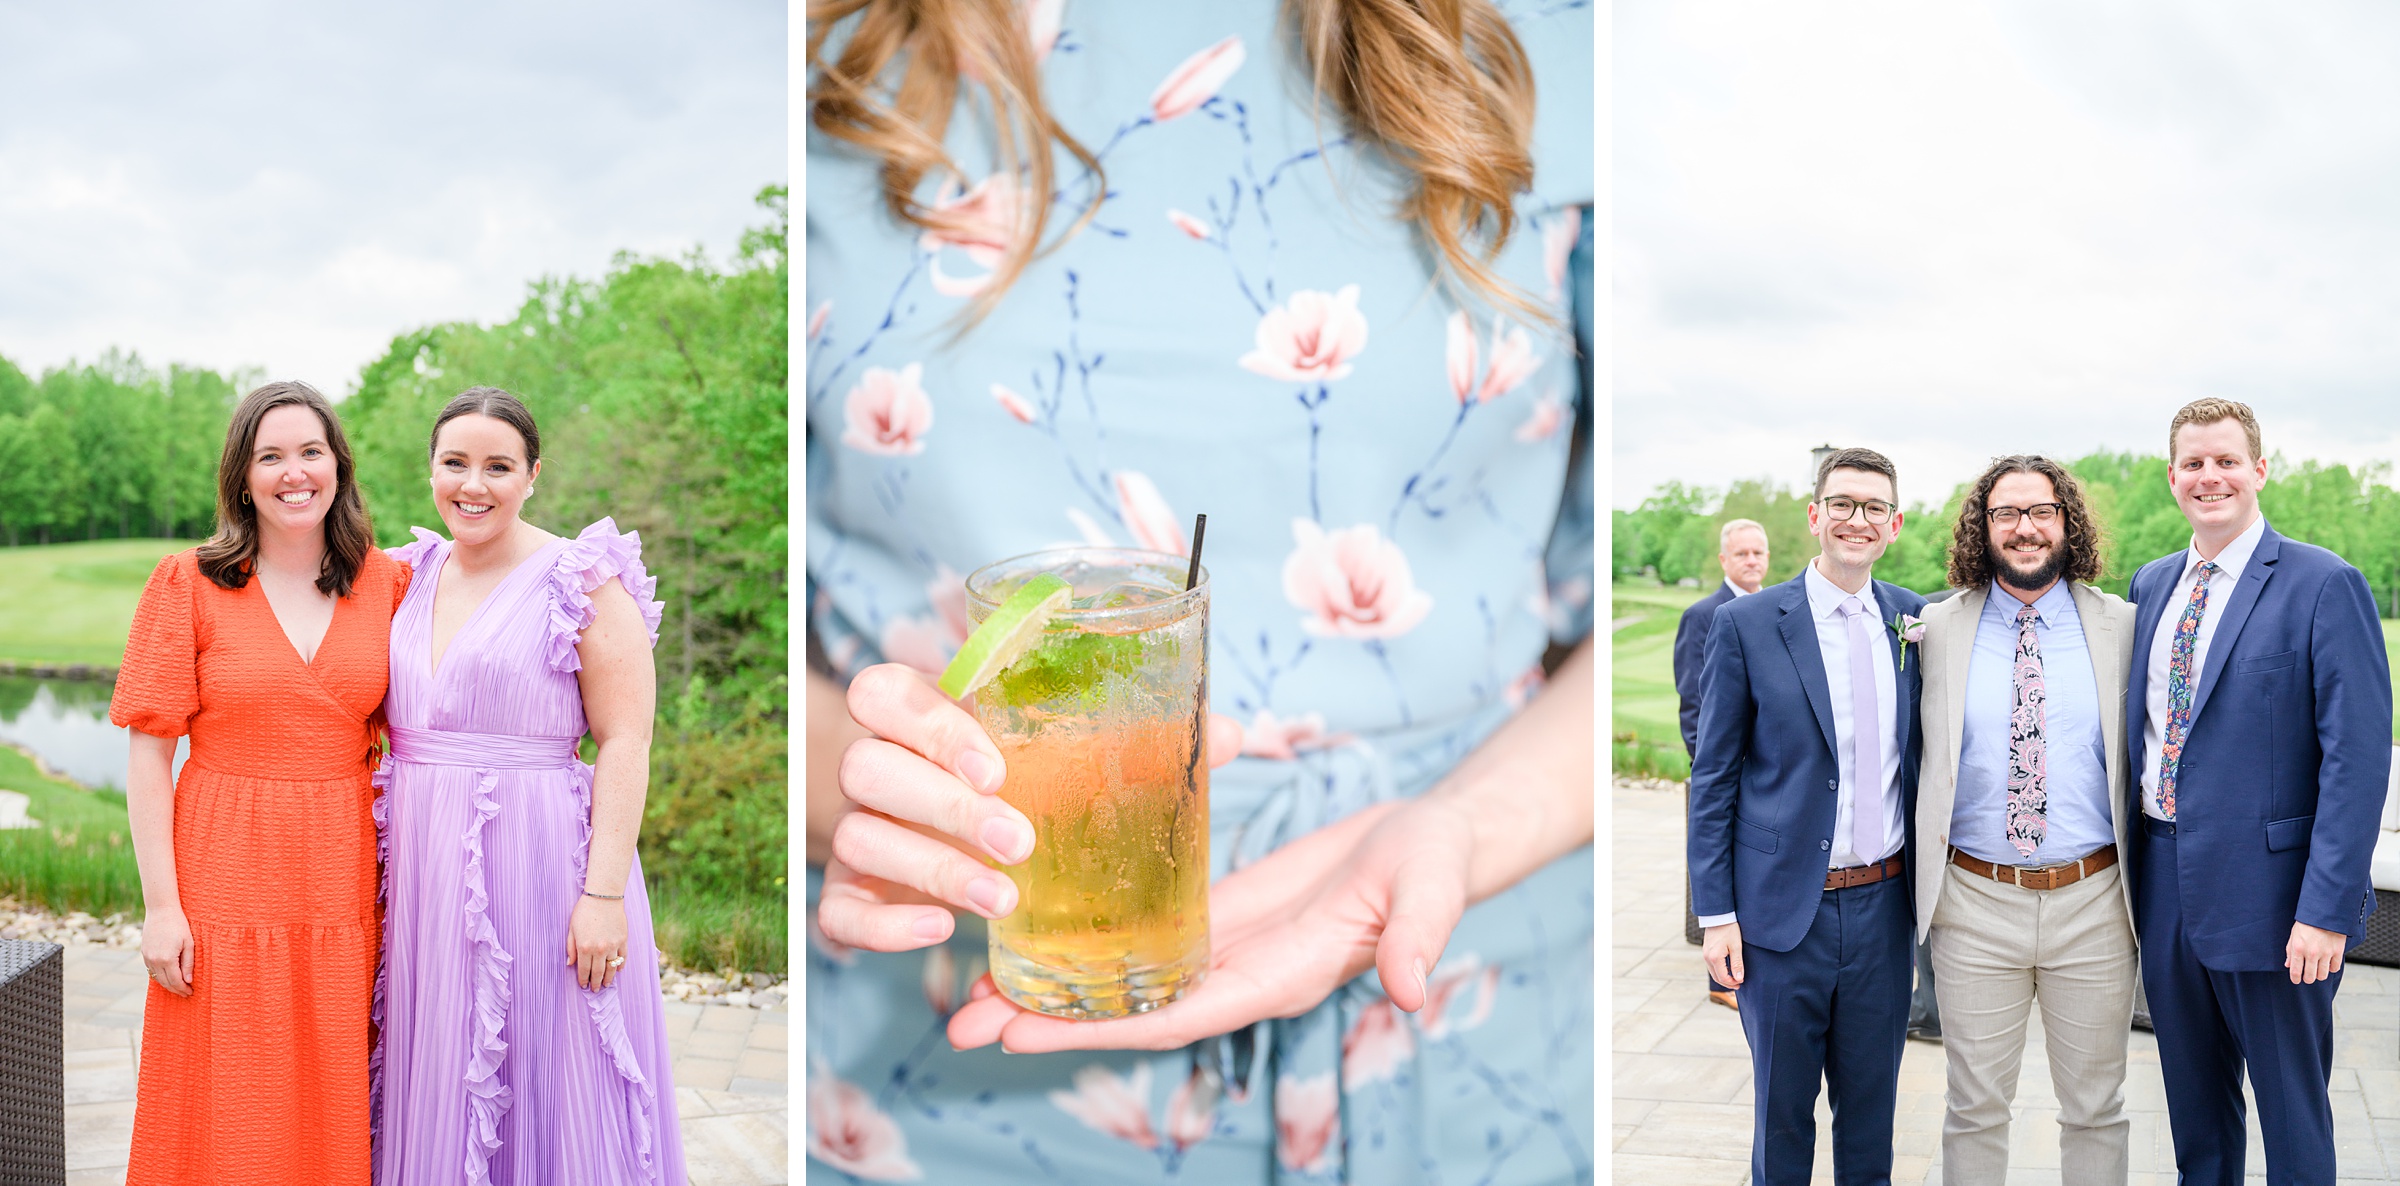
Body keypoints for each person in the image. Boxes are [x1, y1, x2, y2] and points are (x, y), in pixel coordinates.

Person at [805, 0, 1594, 1180]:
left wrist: (1463, 830)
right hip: (954, 1096)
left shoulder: (1565, 40)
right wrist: (870, 791)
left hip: (1482, 1030)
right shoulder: (814, 73)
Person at [372, 387, 685, 1183]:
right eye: (455, 463)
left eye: (497, 466)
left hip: (542, 863)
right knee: (434, 1057)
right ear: (431, 470)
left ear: (532, 474)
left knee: (546, 1067)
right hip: (418, 869)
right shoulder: (405, 574)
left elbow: (625, 740)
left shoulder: (580, 581)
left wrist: (603, 894)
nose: (473, 485)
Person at [111, 381, 407, 1184]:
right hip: (221, 874)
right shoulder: (188, 583)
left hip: (340, 879)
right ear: (241, 476)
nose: (293, 473)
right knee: (223, 1092)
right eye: (269, 455)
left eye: (310, 451)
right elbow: (148, 755)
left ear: (338, 466)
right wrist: (163, 907)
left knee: (329, 1085)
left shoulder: (388, 584)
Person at [2125, 398, 2390, 1186]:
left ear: (2259, 469)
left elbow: (2357, 760)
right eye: (2195, 464)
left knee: (2292, 1117)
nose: (2211, 477)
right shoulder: (2152, 584)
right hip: (2164, 882)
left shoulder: (2323, 583)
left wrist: (2325, 912)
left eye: (2227, 460)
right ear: (2174, 478)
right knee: (2196, 1118)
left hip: (2277, 903)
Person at [1688, 446, 1925, 1186]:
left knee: (1871, 1121)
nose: (1859, 519)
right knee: (1782, 1118)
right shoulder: (1750, 624)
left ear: (1894, 524)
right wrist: (1717, 913)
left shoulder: (1915, 619)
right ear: (1817, 515)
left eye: (1875, 507)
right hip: (1783, 916)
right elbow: (1714, 776)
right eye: (1845, 504)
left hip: (1885, 910)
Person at [1911, 455, 2138, 1184]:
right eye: (2005, 513)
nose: (2025, 528)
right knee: (1973, 1106)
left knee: (2097, 1107)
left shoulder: (2124, 628)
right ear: (1983, 527)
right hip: (1974, 902)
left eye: (2041, 511)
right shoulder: (1937, 628)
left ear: (2067, 521)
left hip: (2095, 902)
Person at [1675, 517, 1769, 1011]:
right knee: (1716, 871)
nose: (1752, 561)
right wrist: (1713, 772)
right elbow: (1694, 702)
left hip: (1766, 779)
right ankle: (1720, 981)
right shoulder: (1703, 613)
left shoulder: (1774, 610)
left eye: (1759, 553)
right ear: (1724, 560)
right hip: (1722, 775)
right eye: (1742, 554)